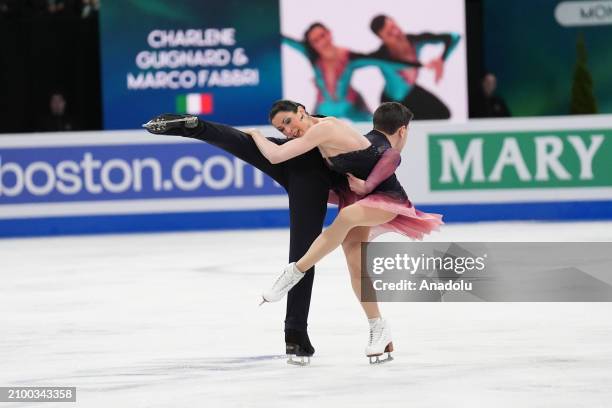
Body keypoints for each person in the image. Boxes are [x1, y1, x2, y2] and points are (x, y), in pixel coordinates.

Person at [245, 101, 443, 363]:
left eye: (288, 122)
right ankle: (378, 329)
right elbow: (382, 151)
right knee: (355, 265)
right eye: (280, 128)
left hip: (386, 198)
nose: (286, 131)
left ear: (302, 112)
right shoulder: (348, 133)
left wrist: (256, 135)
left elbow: (275, 156)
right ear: (403, 130)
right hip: (358, 200)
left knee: (347, 217)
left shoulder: (324, 128)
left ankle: (295, 271)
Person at [283, 22, 420, 121]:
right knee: (309, 136)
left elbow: (380, 61)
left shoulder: (349, 57)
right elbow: (287, 41)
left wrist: (417, 64)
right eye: (316, 41)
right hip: (324, 107)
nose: (322, 42)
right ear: (312, 45)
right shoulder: (313, 56)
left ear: (329, 33)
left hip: (351, 105)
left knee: (375, 129)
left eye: (322, 36)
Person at [369, 15, 460, 120]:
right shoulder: (381, 56)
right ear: (382, 38)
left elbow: (454, 37)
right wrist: (421, 65)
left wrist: (442, 59)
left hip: (411, 93)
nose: (396, 33)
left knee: (443, 114)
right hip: (391, 102)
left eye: (395, 27)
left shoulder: (415, 41)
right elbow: (398, 64)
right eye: (389, 33)